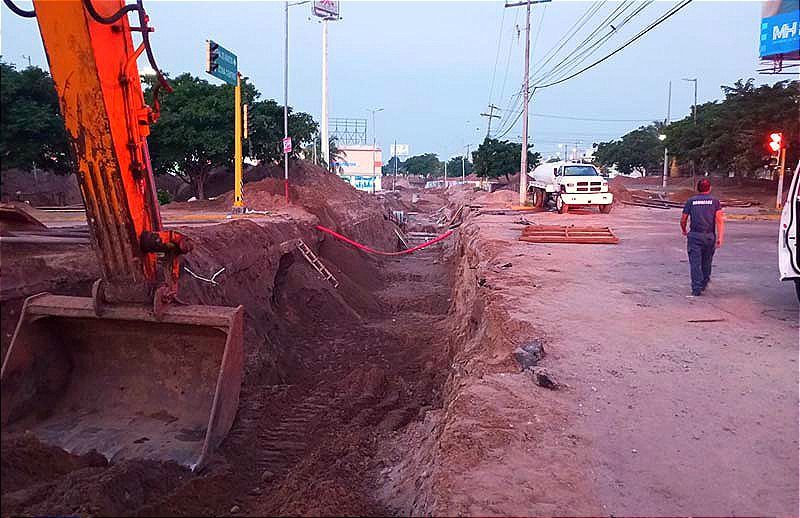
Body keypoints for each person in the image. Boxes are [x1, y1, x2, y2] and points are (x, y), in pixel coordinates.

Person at [680, 179, 725, 296]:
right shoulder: (715, 202)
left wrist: (684, 230)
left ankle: (696, 288)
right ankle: (704, 282)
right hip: (709, 236)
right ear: (709, 188)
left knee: (695, 263)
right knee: (707, 261)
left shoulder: (691, 201)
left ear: (697, 189)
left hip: (694, 235)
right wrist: (720, 237)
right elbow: (719, 220)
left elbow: (683, 219)